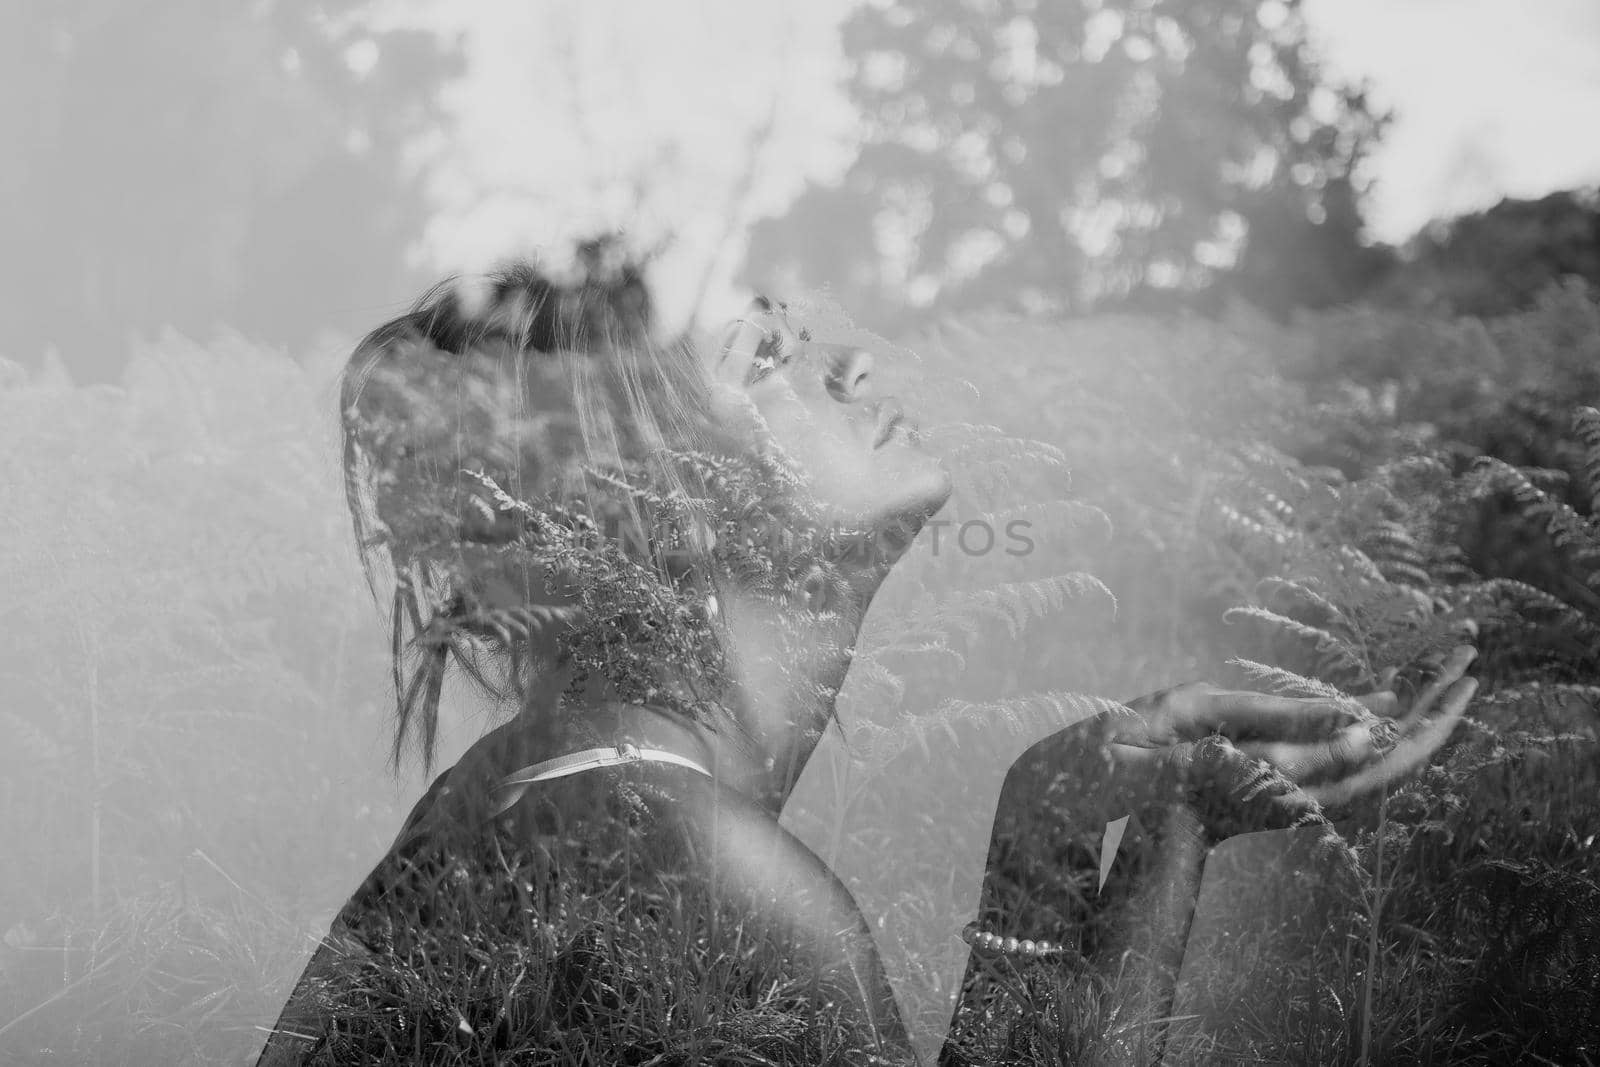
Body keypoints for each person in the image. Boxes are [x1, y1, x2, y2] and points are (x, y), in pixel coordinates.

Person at [257, 253, 1476, 1066]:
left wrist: (1098, 820)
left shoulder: (555, 789)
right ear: (655, 489)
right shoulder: (698, 871)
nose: (853, 366)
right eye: (766, 362)